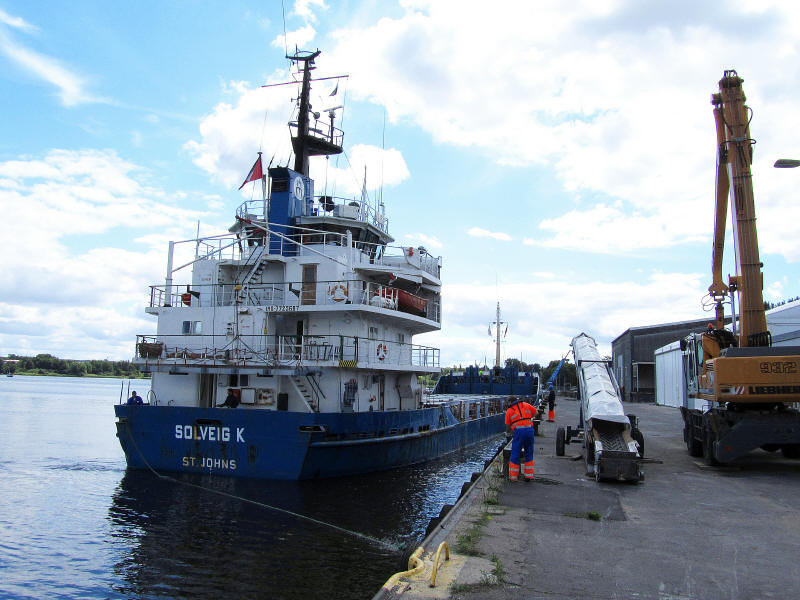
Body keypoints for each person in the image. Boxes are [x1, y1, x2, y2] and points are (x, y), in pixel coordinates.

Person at [505, 396, 536, 482]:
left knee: (515, 454)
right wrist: (529, 418)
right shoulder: (526, 405)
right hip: (529, 431)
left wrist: (508, 433)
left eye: (507, 402)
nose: (506, 404)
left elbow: (508, 426)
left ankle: (513, 477)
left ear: (511, 402)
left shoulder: (509, 411)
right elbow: (535, 413)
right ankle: (528, 476)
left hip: (519, 433)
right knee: (529, 453)